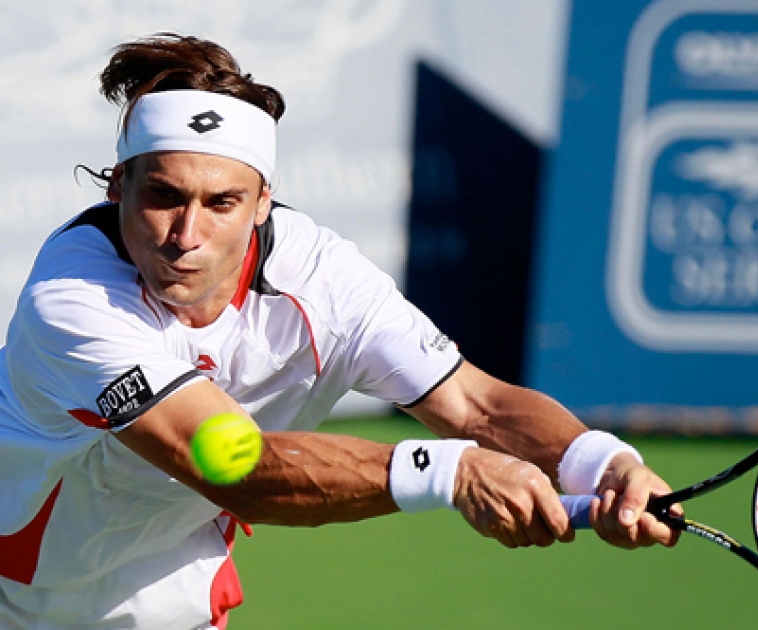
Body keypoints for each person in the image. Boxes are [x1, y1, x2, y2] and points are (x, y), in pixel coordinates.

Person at [0, 33, 679, 629]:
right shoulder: (73, 302)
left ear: (263, 201)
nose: (186, 236)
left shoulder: (322, 276)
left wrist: (605, 464)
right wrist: (451, 469)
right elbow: (235, 468)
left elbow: (474, 404)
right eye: (164, 196)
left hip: (167, 588)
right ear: (119, 185)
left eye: (221, 203)